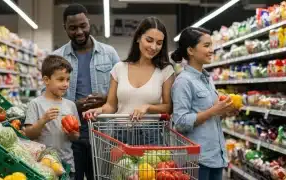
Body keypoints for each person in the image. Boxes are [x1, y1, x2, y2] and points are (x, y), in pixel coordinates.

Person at [52, 3, 120, 180]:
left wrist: (106, 99)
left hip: (103, 132)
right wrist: (74, 106)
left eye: (83, 26)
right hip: (69, 135)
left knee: (100, 177)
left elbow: (122, 91)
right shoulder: (57, 58)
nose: (79, 32)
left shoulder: (109, 54)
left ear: (88, 22)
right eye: (73, 28)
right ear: (65, 28)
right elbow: (49, 99)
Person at [84, 17, 175, 145]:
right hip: (121, 135)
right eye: (149, 40)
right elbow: (111, 105)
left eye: (159, 43)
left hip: (150, 135)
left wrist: (148, 107)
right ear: (138, 38)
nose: (154, 47)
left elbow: (168, 107)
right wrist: (98, 110)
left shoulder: (165, 70)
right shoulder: (119, 68)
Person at [170, 27, 238, 180]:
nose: (211, 50)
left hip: (216, 156)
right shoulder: (183, 81)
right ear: (191, 50)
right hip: (196, 160)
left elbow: (210, 114)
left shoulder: (208, 79)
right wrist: (213, 111)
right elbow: (180, 122)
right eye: (206, 46)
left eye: (211, 45)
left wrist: (226, 111)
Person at [24, 55, 80, 178]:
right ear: (46, 80)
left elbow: (76, 136)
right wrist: (42, 121)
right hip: (43, 165)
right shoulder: (35, 104)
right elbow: (29, 134)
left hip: (67, 164)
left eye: (67, 79)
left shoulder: (71, 105)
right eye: (60, 79)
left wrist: (72, 133)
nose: (65, 84)